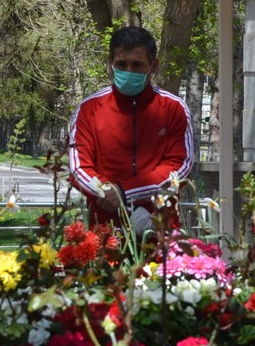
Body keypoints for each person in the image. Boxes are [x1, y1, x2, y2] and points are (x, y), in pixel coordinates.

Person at [67, 25, 195, 229]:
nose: (129, 71)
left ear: (154, 66)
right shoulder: (89, 109)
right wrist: (108, 193)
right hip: (104, 231)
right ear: (110, 63)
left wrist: (125, 192)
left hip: (160, 227)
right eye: (121, 64)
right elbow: (78, 168)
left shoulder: (173, 108)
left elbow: (180, 165)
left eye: (137, 65)